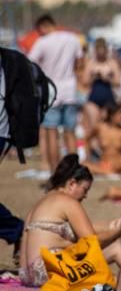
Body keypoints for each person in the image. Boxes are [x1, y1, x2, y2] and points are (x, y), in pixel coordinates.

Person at [18, 154, 120, 287]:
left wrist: (113, 225)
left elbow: (90, 228)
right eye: (85, 189)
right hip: (47, 272)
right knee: (118, 248)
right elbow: (91, 243)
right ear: (72, 184)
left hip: (27, 275)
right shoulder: (68, 201)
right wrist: (118, 231)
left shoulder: (40, 204)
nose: (85, 196)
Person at [27, 14, 84, 172]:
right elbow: (79, 62)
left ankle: (55, 172)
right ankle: (74, 171)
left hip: (51, 91)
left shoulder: (42, 42)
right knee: (70, 133)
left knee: (52, 133)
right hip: (70, 90)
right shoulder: (73, 39)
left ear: (43, 26)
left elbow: (30, 64)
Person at [79, 38, 121, 154]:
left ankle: (105, 150)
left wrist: (107, 78)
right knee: (94, 126)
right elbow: (84, 81)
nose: (100, 54)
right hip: (94, 97)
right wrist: (94, 76)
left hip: (108, 97)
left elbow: (118, 82)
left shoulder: (111, 63)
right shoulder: (91, 63)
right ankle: (93, 150)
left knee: (106, 125)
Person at [84, 102, 121, 177]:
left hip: (118, 162)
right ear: (112, 115)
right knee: (84, 164)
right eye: (119, 113)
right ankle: (109, 172)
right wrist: (88, 155)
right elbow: (87, 139)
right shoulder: (100, 127)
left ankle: (107, 172)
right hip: (104, 162)